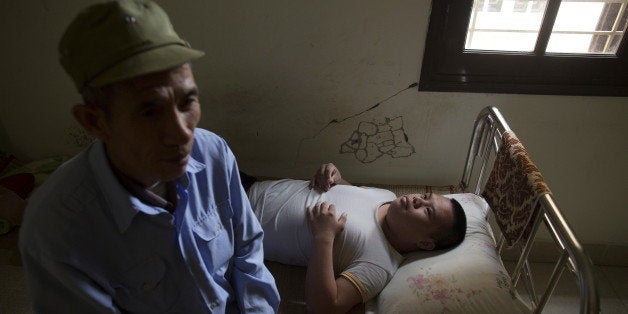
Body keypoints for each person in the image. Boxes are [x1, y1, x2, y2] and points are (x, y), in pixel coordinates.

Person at [18, 1, 279, 313]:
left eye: (187, 101)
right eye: (150, 111)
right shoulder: (57, 231)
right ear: (94, 121)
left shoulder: (213, 152)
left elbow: (248, 248)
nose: (182, 133)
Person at [247, 163, 467, 313]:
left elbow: (325, 307)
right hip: (252, 188)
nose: (419, 199)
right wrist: (334, 176)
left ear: (425, 243)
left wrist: (324, 237)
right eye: (426, 196)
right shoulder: (386, 197)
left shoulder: (379, 264)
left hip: (238, 225)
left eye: (428, 211)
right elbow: (349, 192)